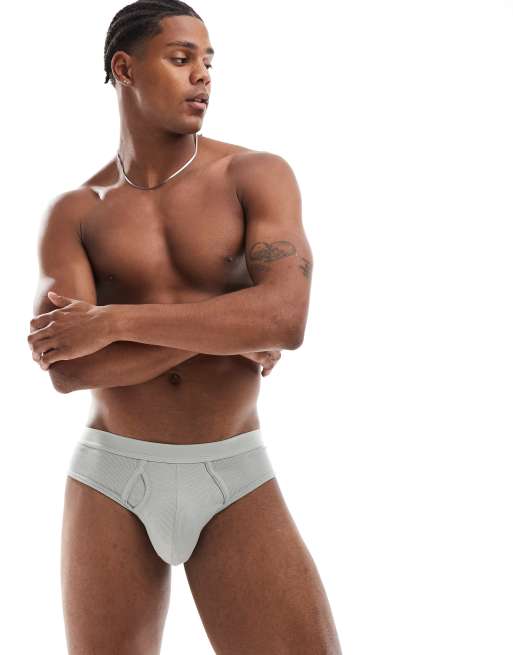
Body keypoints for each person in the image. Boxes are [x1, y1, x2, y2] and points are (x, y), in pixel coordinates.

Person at [28, 1, 343, 653]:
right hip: (110, 476)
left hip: (232, 471)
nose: (202, 75)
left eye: (208, 61)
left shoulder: (254, 175)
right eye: (181, 59)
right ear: (125, 68)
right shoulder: (76, 211)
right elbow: (70, 369)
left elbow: (285, 319)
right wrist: (227, 323)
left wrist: (112, 321)